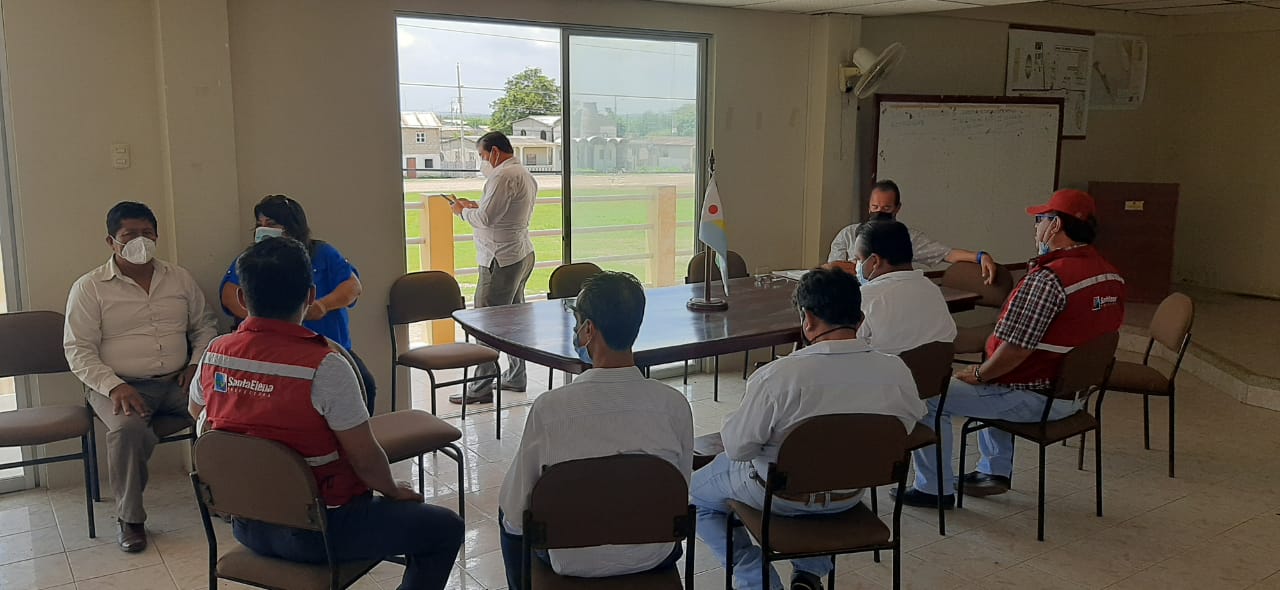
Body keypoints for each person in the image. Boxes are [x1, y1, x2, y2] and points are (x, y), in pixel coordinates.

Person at [189, 237, 464, 590]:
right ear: (310, 295)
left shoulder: (215, 353)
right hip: (320, 532)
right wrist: (393, 490)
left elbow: (198, 413)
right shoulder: (323, 366)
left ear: (242, 297)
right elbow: (365, 459)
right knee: (445, 528)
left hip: (247, 525)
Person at [690, 267, 925, 590]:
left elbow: (738, 448)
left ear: (808, 319)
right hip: (850, 493)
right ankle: (808, 576)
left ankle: (756, 580)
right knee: (827, 468)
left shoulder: (778, 376)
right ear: (860, 319)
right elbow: (905, 428)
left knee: (696, 496)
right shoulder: (896, 371)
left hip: (780, 496)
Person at [900, 189, 1125, 508]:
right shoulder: (1111, 275)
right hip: (1075, 394)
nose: (1035, 227)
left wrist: (980, 374)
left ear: (1055, 225)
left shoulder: (1049, 279)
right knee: (995, 375)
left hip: (1035, 397)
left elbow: (1015, 351)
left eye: (1039, 220)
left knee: (927, 397)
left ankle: (933, 489)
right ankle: (993, 470)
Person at [497, 271, 693, 589]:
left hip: (569, 560)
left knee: (508, 514)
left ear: (588, 330)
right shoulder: (674, 406)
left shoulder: (550, 410)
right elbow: (679, 488)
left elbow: (516, 516)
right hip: (653, 554)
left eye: (577, 324)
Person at [64, 201, 218, 553]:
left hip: (179, 380)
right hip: (119, 385)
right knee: (128, 430)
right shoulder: (90, 287)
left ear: (157, 237)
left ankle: (223, 497)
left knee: (223, 410)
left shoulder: (179, 278)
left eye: (147, 233)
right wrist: (114, 385)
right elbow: (78, 349)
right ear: (111, 241)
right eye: (130, 234)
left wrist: (196, 365)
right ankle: (130, 519)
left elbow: (205, 326)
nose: (140, 241)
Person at [218, 195, 377, 415]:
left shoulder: (321, 253)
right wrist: (264, 319)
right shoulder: (255, 259)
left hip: (327, 347)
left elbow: (352, 286)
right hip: (273, 351)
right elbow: (229, 295)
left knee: (364, 387)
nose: (263, 230)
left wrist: (322, 306)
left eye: (271, 224)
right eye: (259, 224)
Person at [448, 131, 537, 404]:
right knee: (514, 321)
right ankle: (516, 375)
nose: (482, 161)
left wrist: (462, 211)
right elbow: (499, 212)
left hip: (499, 259)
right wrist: (475, 207)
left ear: (495, 152)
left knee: (486, 322)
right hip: (520, 253)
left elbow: (486, 218)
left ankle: (481, 386)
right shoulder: (523, 173)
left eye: (482, 155)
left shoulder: (502, 176)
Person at [828, 180, 1001, 284]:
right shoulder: (848, 234)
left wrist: (980, 256)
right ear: (868, 207)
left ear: (897, 208)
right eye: (875, 207)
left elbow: (946, 253)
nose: (879, 213)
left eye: (886, 208)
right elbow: (833, 271)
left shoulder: (906, 238)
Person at [851, 219, 957, 354]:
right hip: (934, 367)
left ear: (875, 261)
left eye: (858, 259)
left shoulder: (865, 298)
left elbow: (844, 345)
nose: (856, 265)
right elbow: (948, 338)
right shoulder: (932, 289)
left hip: (881, 367)